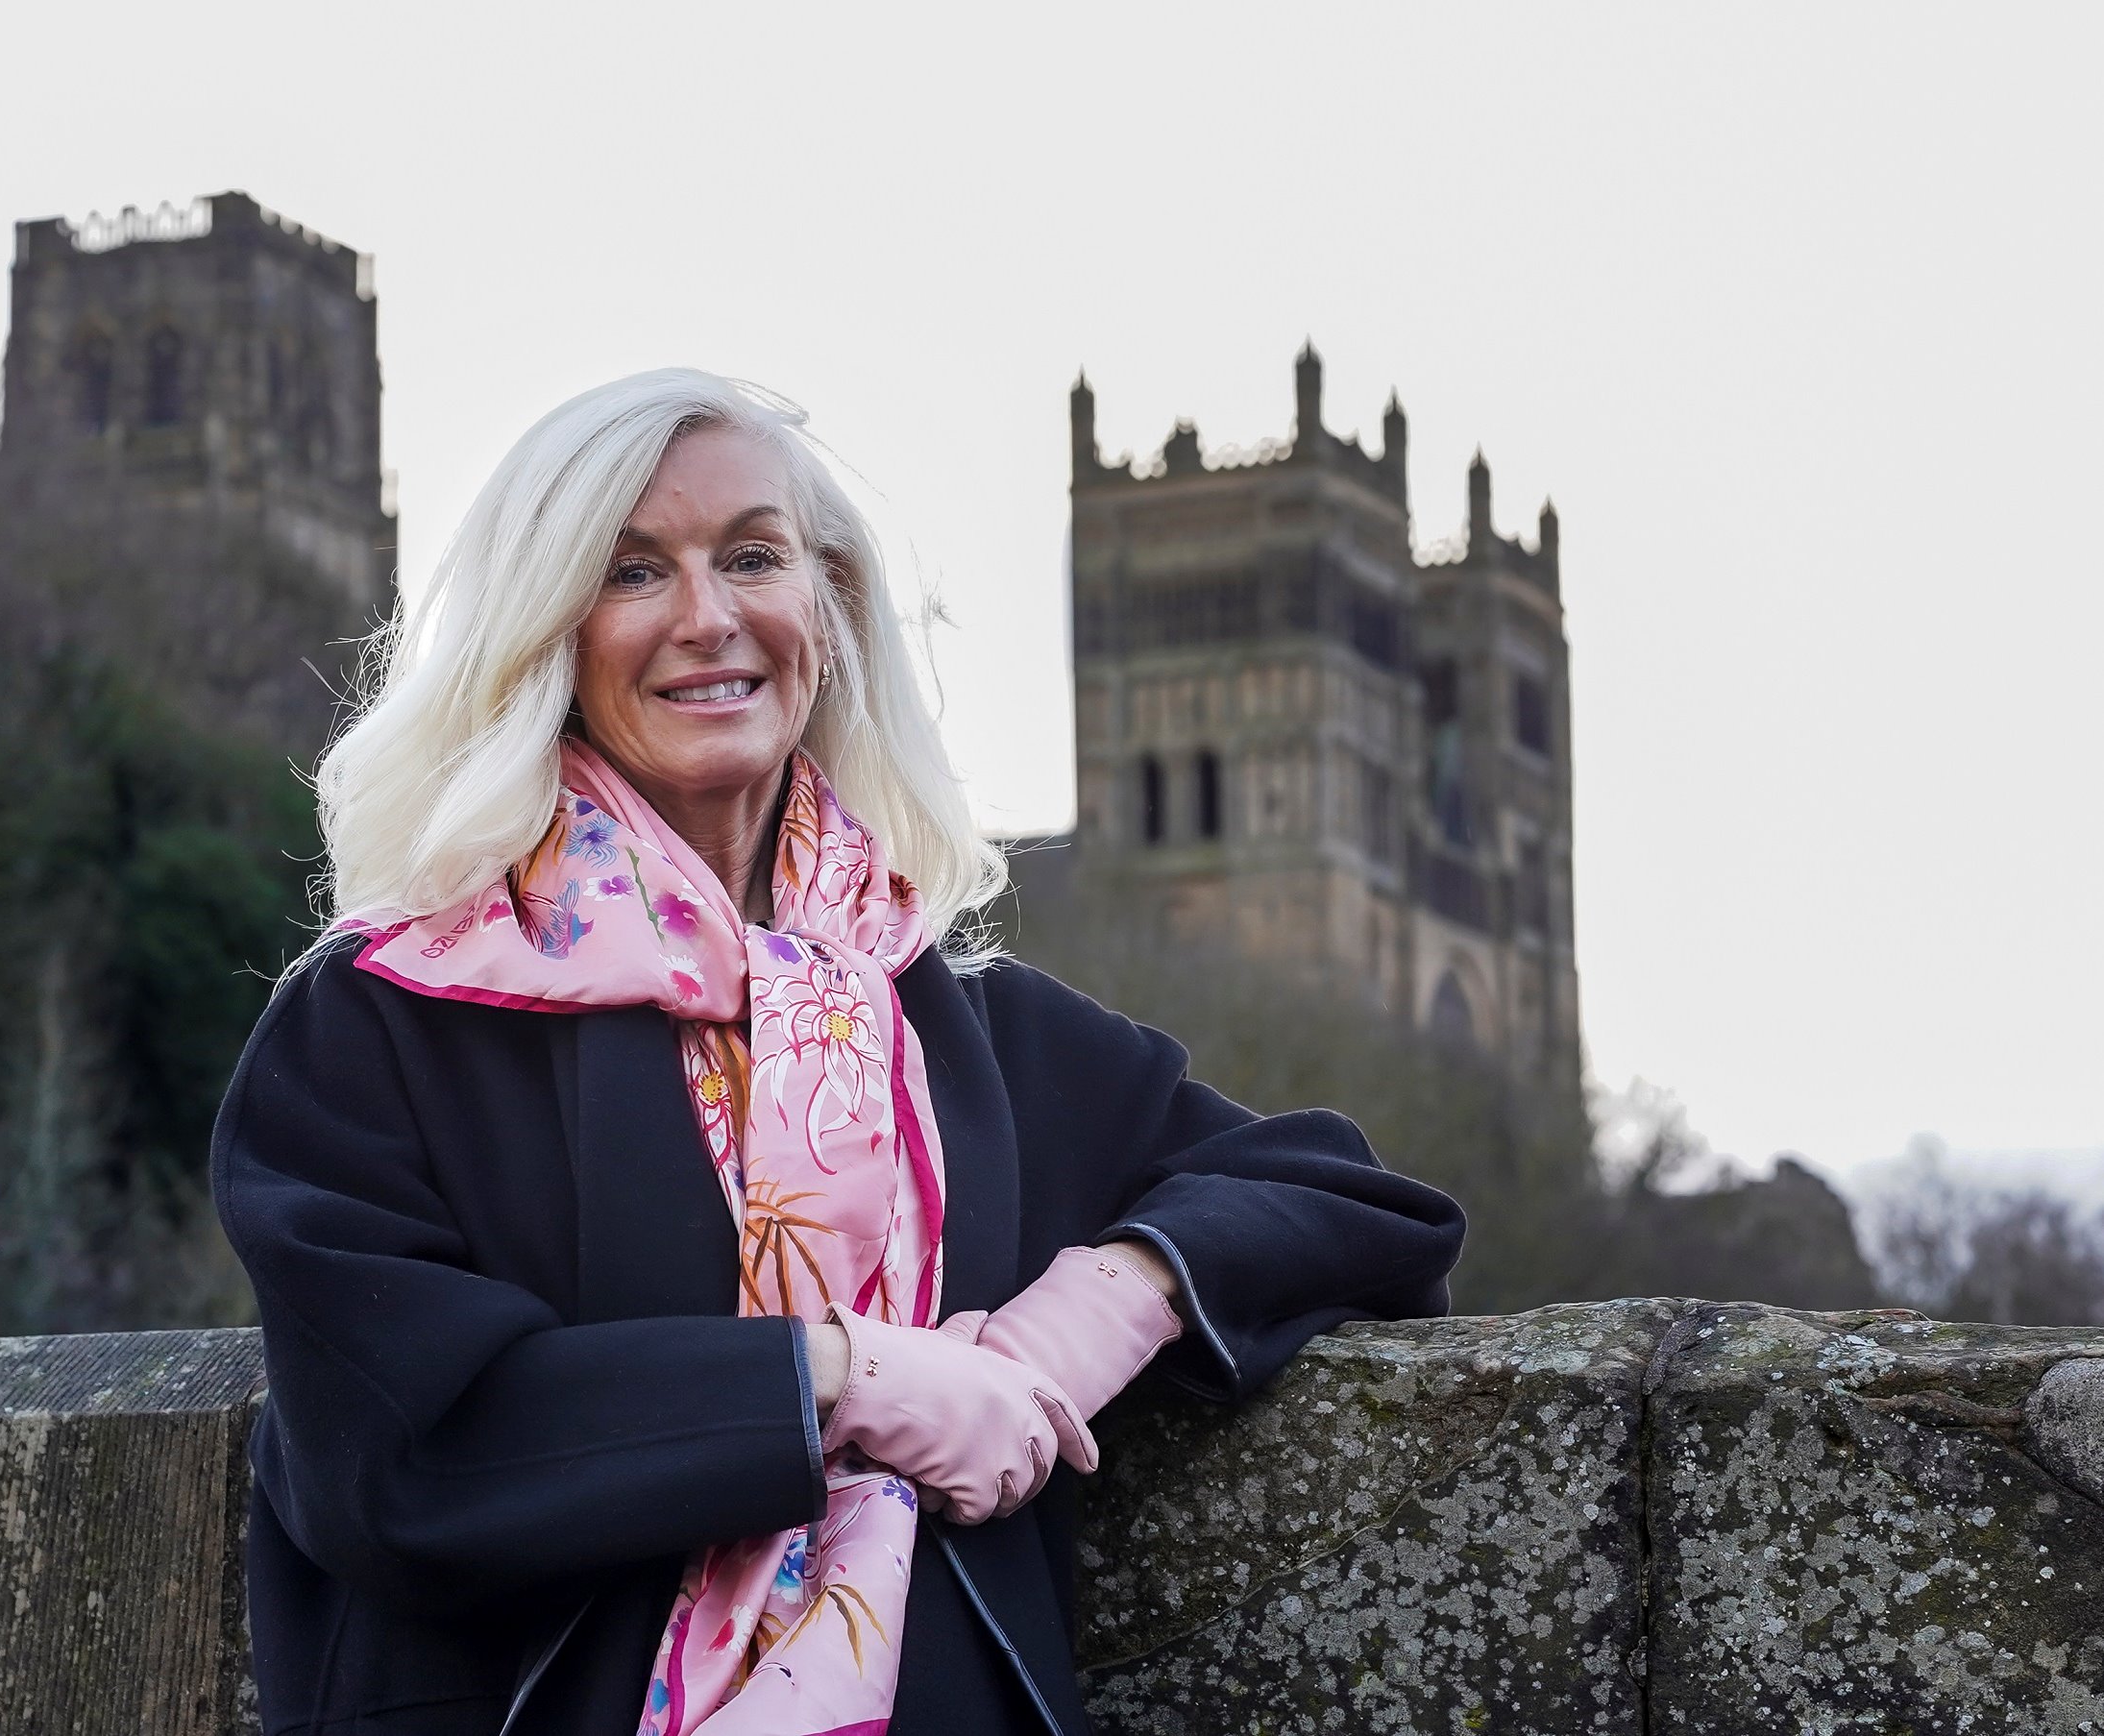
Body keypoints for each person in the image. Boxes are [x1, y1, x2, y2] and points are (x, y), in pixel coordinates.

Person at [211, 369, 1465, 1736]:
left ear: (831, 607)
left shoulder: (958, 1017)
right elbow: (396, 1459)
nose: (708, 616)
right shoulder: (388, 1014)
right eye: (633, 571)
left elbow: (1357, 1202)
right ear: (542, 632)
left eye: (753, 557)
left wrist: (1100, 1309)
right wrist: (838, 1379)